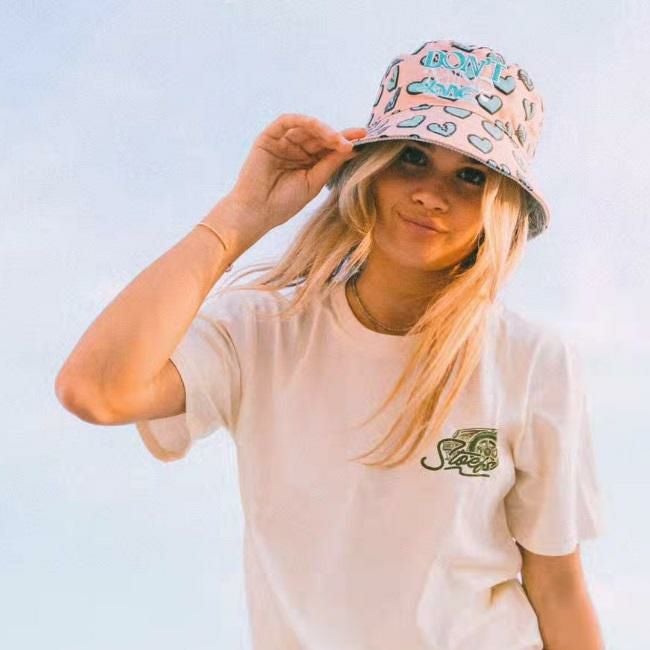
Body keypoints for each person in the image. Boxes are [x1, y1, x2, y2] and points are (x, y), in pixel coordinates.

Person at [55, 39, 606, 649]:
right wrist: (242, 214)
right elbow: (97, 390)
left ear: (501, 208)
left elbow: (556, 584)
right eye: (413, 158)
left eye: (471, 176)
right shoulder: (261, 330)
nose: (432, 194)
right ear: (370, 168)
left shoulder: (532, 360)